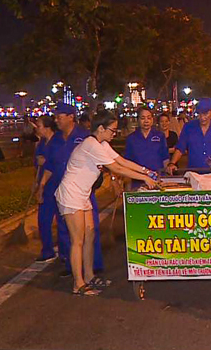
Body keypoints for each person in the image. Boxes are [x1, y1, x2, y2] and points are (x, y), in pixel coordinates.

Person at [56, 110, 158, 295]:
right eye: (112, 130)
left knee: (90, 236)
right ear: (101, 128)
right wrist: (145, 178)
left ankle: (89, 277)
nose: (114, 134)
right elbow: (116, 168)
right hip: (71, 195)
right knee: (77, 240)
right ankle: (78, 283)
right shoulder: (91, 144)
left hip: (83, 194)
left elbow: (122, 160)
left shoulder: (102, 144)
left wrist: (146, 170)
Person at [37, 102, 104, 277]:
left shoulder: (85, 136)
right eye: (56, 117)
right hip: (63, 193)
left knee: (90, 229)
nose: (56, 120)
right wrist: (42, 185)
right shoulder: (55, 140)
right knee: (64, 229)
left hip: (84, 191)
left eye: (59, 117)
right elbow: (50, 166)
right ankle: (70, 265)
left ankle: (93, 264)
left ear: (70, 117)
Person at [167, 97, 211, 173]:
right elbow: (180, 148)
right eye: (200, 114)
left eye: (205, 114)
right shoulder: (188, 127)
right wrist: (172, 163)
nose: (202, 117)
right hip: (194, 172)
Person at [125, 107, 169, 189]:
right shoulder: (131, 138)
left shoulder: (160, 136)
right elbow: (127, 162)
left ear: (152, 120)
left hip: (157, 179)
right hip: (137, 180)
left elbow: (165, 158)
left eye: (149, 118)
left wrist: (165, 177)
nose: (146, 121)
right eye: (142, 118)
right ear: (138, 120)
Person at [34, 115, 58, 262]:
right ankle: (47, 249)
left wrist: (46, 161)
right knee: (43, 220)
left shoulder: (59, 142)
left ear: (48, 127)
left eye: (39, 125)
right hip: (45, 187)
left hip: (58, 185)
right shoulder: (41, 144)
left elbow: (57, 162)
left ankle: (66, 253)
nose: (37, 128)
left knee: (63, 223)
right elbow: (37, 165)